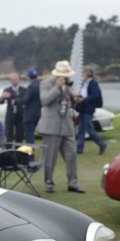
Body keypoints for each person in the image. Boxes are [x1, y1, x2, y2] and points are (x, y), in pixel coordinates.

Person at [38, 60, 84, 194]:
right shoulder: (46, 84)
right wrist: (56, 88)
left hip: (67, 125)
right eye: (63, 76)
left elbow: (70, 103)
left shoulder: (69, 85)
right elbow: (44, 100)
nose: (65, 78)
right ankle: (49, 184)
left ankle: (73, 183)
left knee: (72, 155)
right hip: (51, 126)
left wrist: (75, 97)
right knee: (50, 158)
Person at [75, 67, 107, 154]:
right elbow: (84, 93)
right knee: (81, 129)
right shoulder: (84, 83)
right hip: (82, 108)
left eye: (83, 73)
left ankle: (101, 143)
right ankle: (79, 148)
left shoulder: (93, 83)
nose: (82, 75)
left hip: (88, 108)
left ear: (88, 74)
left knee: (89, 128)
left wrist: (84, 100)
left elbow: (95, 95)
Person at [16, 68, 41, 144]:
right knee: (31, 133)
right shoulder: (40, 85)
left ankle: (30, 155)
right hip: (37, 113)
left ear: (29, 77)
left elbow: (26, 100)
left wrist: (16, 101)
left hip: (29, 115)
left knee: (29, 137)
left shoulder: (31, 87)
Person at [0, 73, 25, 143]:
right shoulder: (7, 90)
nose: (14, 82)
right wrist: (2, 97)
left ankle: (18, 152)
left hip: (20, 115)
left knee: (19, 136)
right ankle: (8, 152)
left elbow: (25, 100)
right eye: (13, 80)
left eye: (16, 80)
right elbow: (0, 102)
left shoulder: (23, 90)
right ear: (10, 81)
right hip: (10, 115)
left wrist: (12, 96)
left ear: (18, 80)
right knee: (8, 135)